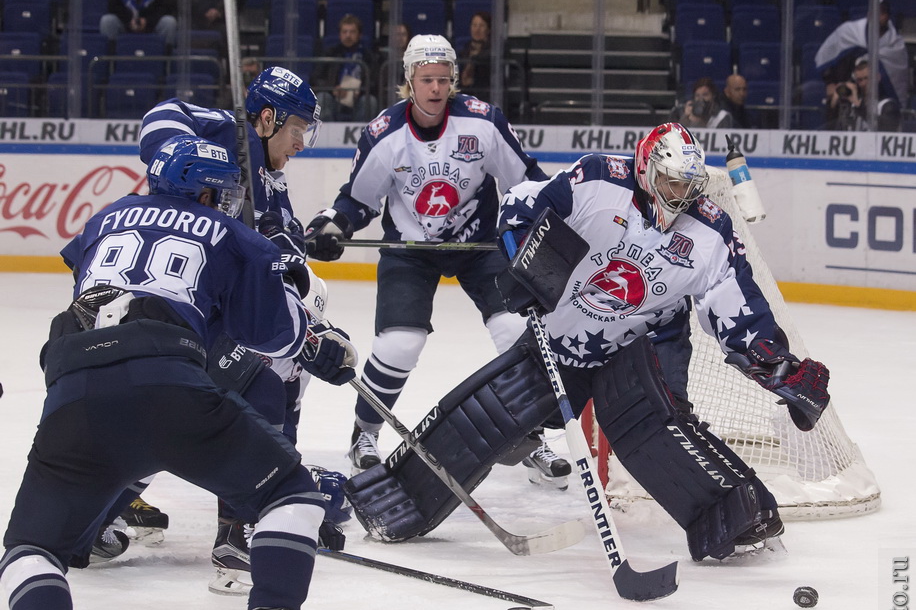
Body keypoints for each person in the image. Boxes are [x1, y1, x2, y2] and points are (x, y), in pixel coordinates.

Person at [345, 122, 832, 561]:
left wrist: (776, 364)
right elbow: (520, 207)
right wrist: (524, 264)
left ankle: (740, 515)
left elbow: (736, 303)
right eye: (670, 182)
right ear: (646, 169)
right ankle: (397, 500)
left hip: (645, 345)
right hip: (565, 336)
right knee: (488, 416)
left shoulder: (711, 231)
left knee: (654, 430)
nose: (679, 196)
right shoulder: (597, 179)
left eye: (688, 186)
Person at [0, 136, 359, 610]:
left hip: (73, 384)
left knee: (29, 545)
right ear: (209, 189)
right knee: (291, 492)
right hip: (166, 381)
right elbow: (266, 331)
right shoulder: (231, 233)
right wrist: (315, 343)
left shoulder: (105, 219)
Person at [305, 34, 571, 487]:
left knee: (516, 334)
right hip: (411, 252)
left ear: (454, 81)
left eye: (443, 79)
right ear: (409, 80)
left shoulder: (482, 123)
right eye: (426, 79)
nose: (435, 88)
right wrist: (332, 225)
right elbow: (357, 199)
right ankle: (364, 433)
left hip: (480, 247)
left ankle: (533, 436)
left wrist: (547, 220)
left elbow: (526, 182)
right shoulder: (384, 134)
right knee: (399, 344)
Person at [113, 67, 323, 588]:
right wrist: (209, 159)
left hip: (209, 308)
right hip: (175, 302)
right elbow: (159, 121)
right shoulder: (225, 133)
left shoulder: (271, 182)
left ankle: (99, 515)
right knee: (262, 391)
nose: (300, 143)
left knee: (180, 413)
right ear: (268, 118)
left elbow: (278, 246)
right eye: (297, 129)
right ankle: (241, 530)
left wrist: (299, 252)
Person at [815, 0, 909, 114]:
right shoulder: (849, 32)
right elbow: (828, 58)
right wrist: (830, 83)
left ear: (887, 16)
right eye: (872, 13)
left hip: (880, 99)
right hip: (847, 92)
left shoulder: (896, 45)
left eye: (881, 13)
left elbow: (897, 82)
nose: (876, 17)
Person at [315, 13, 378, 122]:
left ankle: (361, 138)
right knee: (322, 98)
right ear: (340, 35)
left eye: (352, 32)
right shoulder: (330, 53)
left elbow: (375, 82)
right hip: (334, 98)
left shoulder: (369, 56)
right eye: (345, 32)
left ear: (360, 35)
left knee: (370, 101)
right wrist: (333, 89)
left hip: (358, 99)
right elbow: (316, 78)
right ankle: (326, 137)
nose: (348, 35)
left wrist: (361, 90)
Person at [825, 55, 902, 132]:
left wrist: (859, 106)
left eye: (866, 78)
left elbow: (888, 127)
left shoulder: (887, 105)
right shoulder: (851, 103)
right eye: (859, 80)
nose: (863, 83)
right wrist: (833, 103)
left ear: (877, 77)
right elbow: (830, 128)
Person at [458, 11, 492, 102]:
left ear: (488, 29)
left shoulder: (493, 48)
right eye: (474, 25)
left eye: (481, 26)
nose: (477, 29)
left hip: (485, 95)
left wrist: (473, 60)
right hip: (465, 94)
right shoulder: (466, 48)